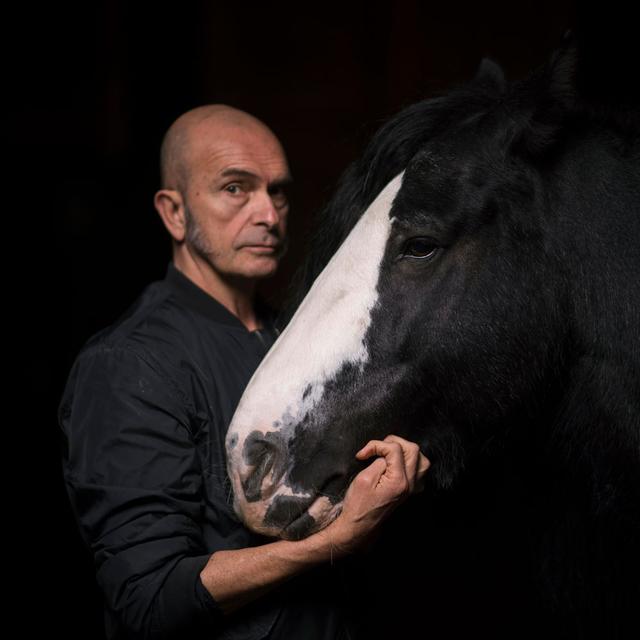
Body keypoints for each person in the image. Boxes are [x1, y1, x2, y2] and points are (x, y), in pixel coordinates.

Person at [59, 105, 430, 639]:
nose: (268, 214)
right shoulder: (128, 366)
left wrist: (383, 480)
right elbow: (150, 597)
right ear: (174, 213)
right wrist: (332, 542)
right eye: (236, 189)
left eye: (277, 192)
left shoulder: (302, 340)